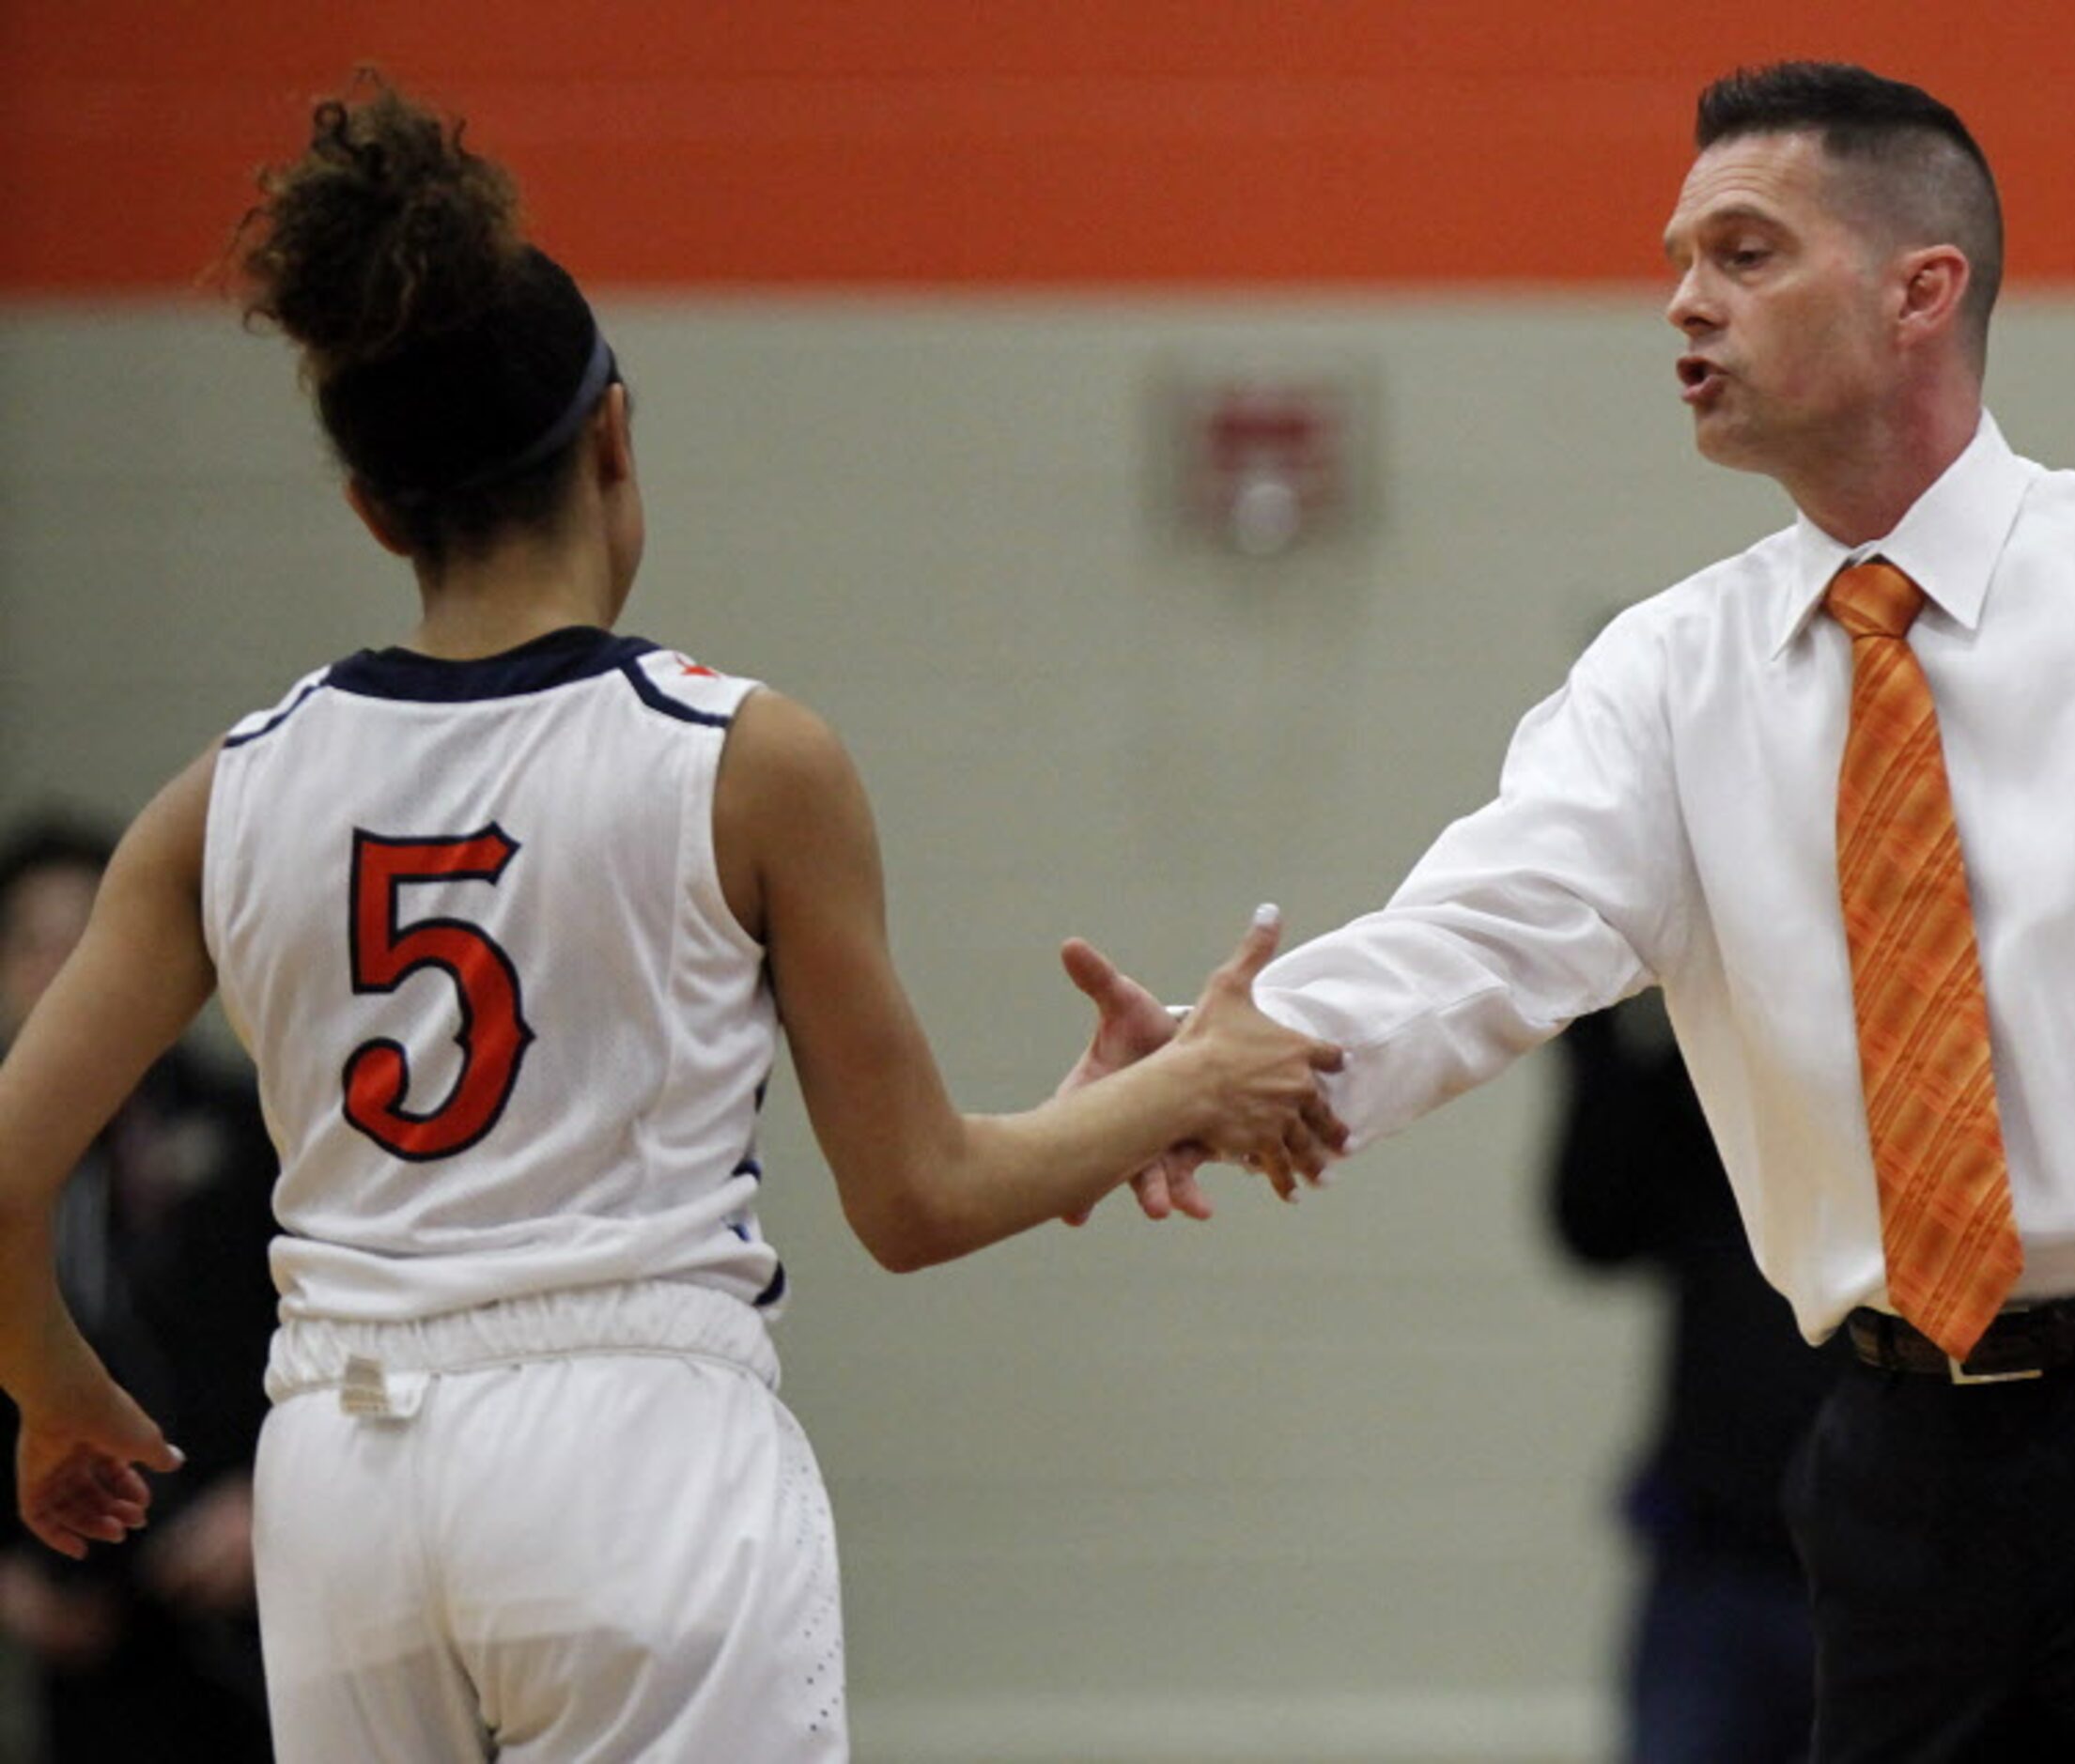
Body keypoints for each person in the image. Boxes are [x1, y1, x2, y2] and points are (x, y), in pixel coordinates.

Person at [1064, 61, 2075, 1761]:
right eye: (1678, 257)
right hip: (1899, 1461)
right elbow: (1472, 941)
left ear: (1919, 288)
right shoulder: (1665, 676)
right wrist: (1220, 1067)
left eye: (1743, 252)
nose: (1682, 301)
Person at [0, 76, 1344, 1763]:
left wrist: (48, 1379)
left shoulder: (223, 793)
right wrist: (1190, 1081)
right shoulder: (745, 757)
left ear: (370, 507)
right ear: (615, 434)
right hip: (629, 1452)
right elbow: (918, 1197)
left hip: (339, 1469)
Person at [0, 818, 280, 1762]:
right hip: (74, 1594)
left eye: (84, 941)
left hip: (247, 1580)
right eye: (31, 944)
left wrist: (270, 1498)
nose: (57, 972)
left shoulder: (251, 1123)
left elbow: (323, 1329)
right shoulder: (15, 1156)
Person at [1546, 996, 1838, 1764]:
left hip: (1897, 1565)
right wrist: (1593, 1023)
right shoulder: (1710, 1080)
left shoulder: (1929, 1098)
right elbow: (1596, 1229)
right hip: (1718, 1550)